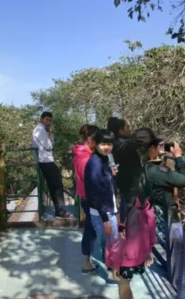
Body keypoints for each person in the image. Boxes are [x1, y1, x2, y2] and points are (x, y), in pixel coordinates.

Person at [134, 127, 185, 299]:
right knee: (181, 271)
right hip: (170, 220)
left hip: (158, 220)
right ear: (150, 149)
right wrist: (179, 158)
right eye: (157, 145)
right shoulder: (158, 172)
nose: (161, 147)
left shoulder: (144, 169)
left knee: (173, 263)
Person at [84, 130, 120, 282]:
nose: (106, 147)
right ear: (96, 144)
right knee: (112, 244)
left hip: (106, 211)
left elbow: (104, 186)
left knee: (111, 243)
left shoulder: (102, 161)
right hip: (102, 213)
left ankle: (113, 274)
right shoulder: (94, 164)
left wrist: (110, 174)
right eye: (103, 144)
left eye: (109, 144)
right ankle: (113, 277)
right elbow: (95, 193)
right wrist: (105, 218)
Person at [32, 111, 73, 219]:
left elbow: (51, 144)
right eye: (46, 120)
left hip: (47, 160)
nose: (48, 122)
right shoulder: (39, 130)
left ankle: (60, 210)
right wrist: (50, 133)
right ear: (41, 119)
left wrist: (50, 133)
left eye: (50, 120)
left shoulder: (43, 130)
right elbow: (49, 146)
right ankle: (61, 211)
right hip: (45, 161)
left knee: (55, 184)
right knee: (57, 185)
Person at [73, 124, 99, 272]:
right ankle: (88, 261)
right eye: (98, 140)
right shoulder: (85, 158)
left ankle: (87, 262)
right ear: (90, 139)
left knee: (91, 229)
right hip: (90, 198)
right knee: (93, 230)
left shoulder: (82, 154)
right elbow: (90, 180)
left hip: (87, 197)